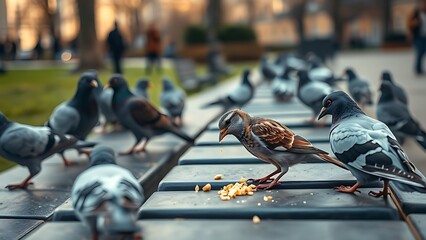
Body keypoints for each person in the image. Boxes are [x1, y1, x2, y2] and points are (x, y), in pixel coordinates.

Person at [407, 0, 426, 75]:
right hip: (417, 36)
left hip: (425, 36)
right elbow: (409, 23)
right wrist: (415, 23)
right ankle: (418, 69)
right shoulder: (415, 13)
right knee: (420, 51)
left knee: (423, 51)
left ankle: (420, 68)